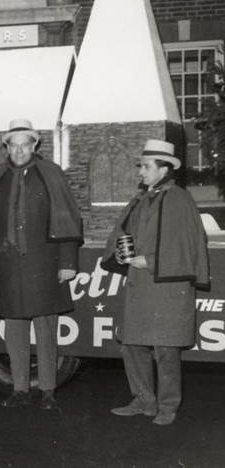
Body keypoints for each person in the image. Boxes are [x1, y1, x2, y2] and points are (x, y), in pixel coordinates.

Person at [0, 119, 82, 411]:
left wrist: (68, 261)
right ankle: (20, 389)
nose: (20, 151)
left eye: (26, 145)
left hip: (45, 264)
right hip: (9, 267)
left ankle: (48, 391)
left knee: (46, 330)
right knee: (15, 330)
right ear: (6, 147)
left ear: (35, 145)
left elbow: (67, 217)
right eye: (14, 145)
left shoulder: (51, 174)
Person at [103, 140, 209, 426]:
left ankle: (167, 407)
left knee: (166, 349)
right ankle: (144, 400)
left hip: (167, 286)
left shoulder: (180, 199)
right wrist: (120, 253)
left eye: (146, 167)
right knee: (132, 345)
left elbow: (189, 244)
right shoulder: (140, 200)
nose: (141, 172)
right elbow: (124, 234)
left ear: (164, 169)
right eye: (141, 166)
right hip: (141, 284)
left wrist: (150, 261)